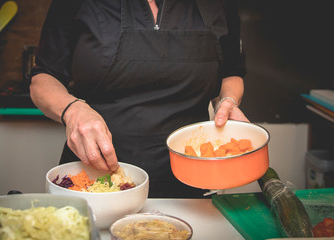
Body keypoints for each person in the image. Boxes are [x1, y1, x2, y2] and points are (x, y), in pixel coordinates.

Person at [30, 0, 248, 198]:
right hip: (93, 181)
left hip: (190, 184)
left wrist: (228, 100)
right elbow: (42, 79)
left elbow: (231, 72)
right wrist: (73, 110)